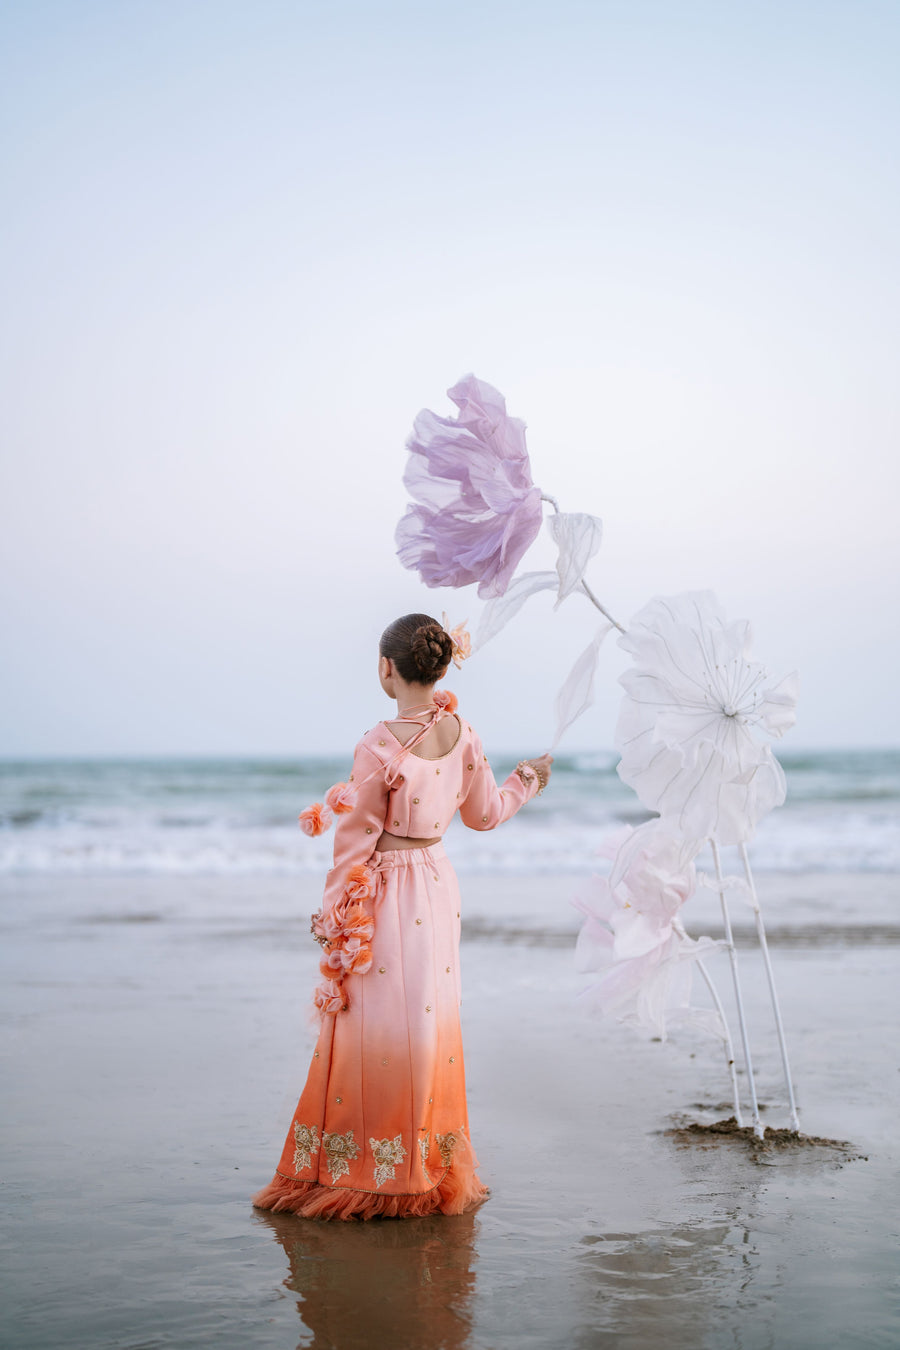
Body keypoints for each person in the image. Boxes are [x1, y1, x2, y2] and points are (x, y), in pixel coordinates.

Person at [252, 613, 552, 1221]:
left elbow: (354, 837)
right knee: (427, 1022)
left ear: (388, 669)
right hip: (437, 885)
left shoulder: (378, 743)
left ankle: (371, 1165)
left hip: (387, 893)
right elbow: (486, 814)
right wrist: (528, 779)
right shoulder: (463, 732)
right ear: (441, 667)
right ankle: (425, 1156)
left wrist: (334, 910)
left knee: (375, 1023)